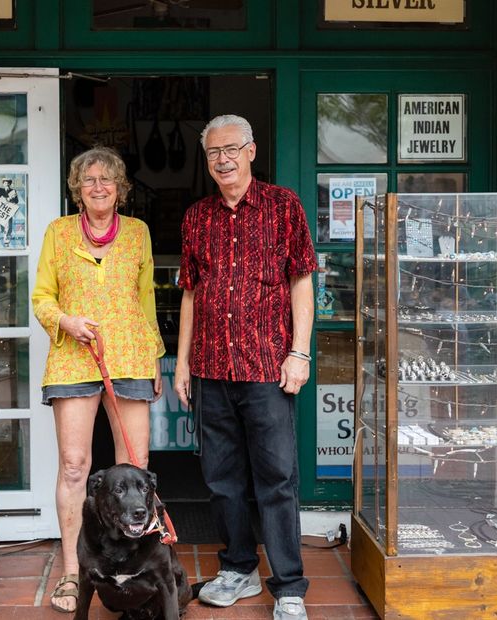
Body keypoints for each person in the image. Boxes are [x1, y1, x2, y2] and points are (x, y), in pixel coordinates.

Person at [174, 115, 315, 620]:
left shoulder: (283, 207)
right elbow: (190, 290)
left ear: (252, 151)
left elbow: (302, 281)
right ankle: (238, 567)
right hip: (211, 368)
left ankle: (289, 587)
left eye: (232, 149)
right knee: (221, 479)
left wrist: (299, 352)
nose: (223, 159)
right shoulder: (196, 217)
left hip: (267, 368)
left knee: (277, 479)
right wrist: (183, 363)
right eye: (213, 153)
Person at [32, 146, 165, 614]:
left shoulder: (138, 233)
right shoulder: (58, 232)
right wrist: (65, 321)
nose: (98, 186)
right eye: (88, 179)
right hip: (72, 358)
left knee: (134, 464)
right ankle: (74, 572)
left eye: (106, 179)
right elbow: (41, 295)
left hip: (129, 357)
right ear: (77, 188)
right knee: (74, 465)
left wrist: (155, 358)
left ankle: (135, 568)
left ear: (120, 187)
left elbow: (145, 298)